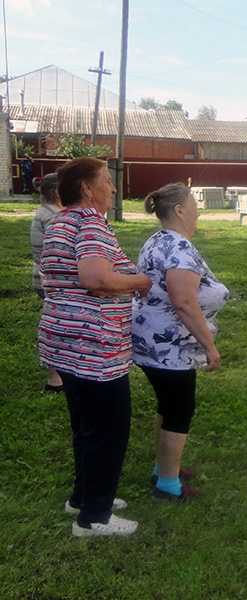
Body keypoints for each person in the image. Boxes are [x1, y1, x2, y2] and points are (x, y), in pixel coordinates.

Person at [38, 157, 151, 537]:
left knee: (86, 427)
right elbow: (94, 277)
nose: (114, 188)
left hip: (65, 341)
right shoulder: (89, 222)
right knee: (109, 430)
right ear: (87, 189)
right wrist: (140, 280)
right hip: (96, 349)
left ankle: (84, 496)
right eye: (106, 180)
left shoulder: (59, 222)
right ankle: (94, 518)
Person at [132, 183, 229, 501]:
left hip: (150, 342)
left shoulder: (157, 240)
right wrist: (209, 347)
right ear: (180, 210)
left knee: (169, 405)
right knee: (179, 410)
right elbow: (184, 302)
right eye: (194, 205)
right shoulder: (179, 248)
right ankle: (168, 486)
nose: (198, 211)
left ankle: (163, 468)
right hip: (169, 348)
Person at [30, 173, 64, 392]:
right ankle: (55, 379)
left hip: (43, 279)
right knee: (58, 328)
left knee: (55, 324)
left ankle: (58, 376)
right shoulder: (54, 216)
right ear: (58, 192)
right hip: (54, 281)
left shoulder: (44, 212)